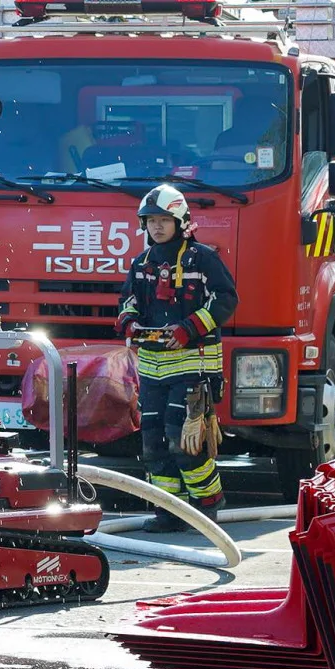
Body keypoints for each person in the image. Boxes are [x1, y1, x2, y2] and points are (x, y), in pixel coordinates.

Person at [115, 184, 238, 531]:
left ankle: (208, 503)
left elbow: (226, 298)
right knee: (153, 441)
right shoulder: (142, 263)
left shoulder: (203, 258)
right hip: (153, 369)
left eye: (164, 220)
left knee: (184, 439)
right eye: (151, 220)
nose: (156, 226)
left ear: (179, 220)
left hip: (193, 365)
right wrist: (128, 321)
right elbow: (130, 300)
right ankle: (169, 510)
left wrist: (189, 327)